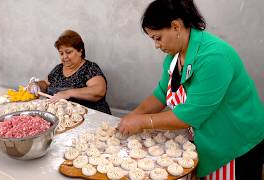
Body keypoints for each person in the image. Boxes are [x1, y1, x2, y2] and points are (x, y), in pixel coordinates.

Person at [118, 0, 264, 179]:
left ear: (176, 26)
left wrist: (143, 122)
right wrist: (134, 115)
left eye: (158, 38)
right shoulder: (175, 56)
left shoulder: (214, 58)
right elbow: (161, 93)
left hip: (235, 142)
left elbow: (190, 115)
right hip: (208, 137)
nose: (156, 45)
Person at [28, 30, 111, 114]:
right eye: (61, 53)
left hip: (90, 117)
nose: (64, 57)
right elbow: (45, 83)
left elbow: (99, 91)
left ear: (80, 51)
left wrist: (68, 93)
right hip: (62, 116)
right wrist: (37, 85)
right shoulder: (58, 69)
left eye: (68, 52)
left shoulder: (90, 68)